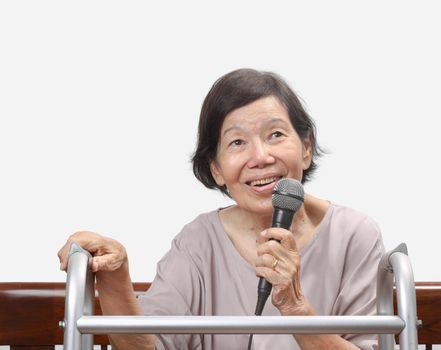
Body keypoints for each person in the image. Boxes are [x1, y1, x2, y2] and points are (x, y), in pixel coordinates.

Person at [57, 68, 385, 350]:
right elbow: (148, 347)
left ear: (306, 148)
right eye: (237, 142)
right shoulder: (197, 242)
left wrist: (296, 308)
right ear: (215, 168)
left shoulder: (354, 234)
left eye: (275, 134)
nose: (261, 157)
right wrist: (116, 277)